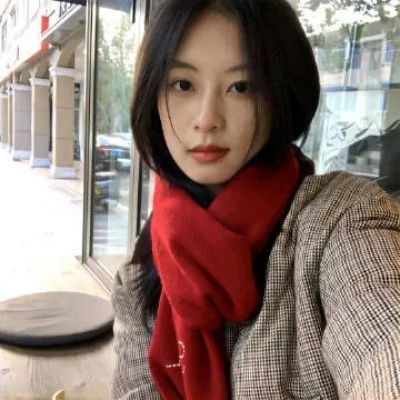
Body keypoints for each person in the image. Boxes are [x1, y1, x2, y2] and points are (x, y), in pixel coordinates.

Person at [111, 0, 400, 399]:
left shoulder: (340, 219)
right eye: (183, 84)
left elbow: (381, 336)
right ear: (152, 96)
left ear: (279, 96)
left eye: (241, 87)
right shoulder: (142, 267)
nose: (207, 119)